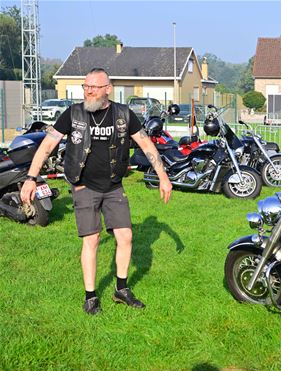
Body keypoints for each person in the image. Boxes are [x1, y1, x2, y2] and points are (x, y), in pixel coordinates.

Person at [20, 68, 172, 315]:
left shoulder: (123, 114)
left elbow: (145, 143)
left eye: (94, 87)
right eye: (85, 86)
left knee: (125, 237)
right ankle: (91, 296)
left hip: (114, 187)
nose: (88, 91)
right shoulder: (73, 114)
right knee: (92, 240)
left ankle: (121, 290)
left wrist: (163, 177)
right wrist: (30, 178)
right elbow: (48, 144)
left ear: (107, 89)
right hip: (84, 186)